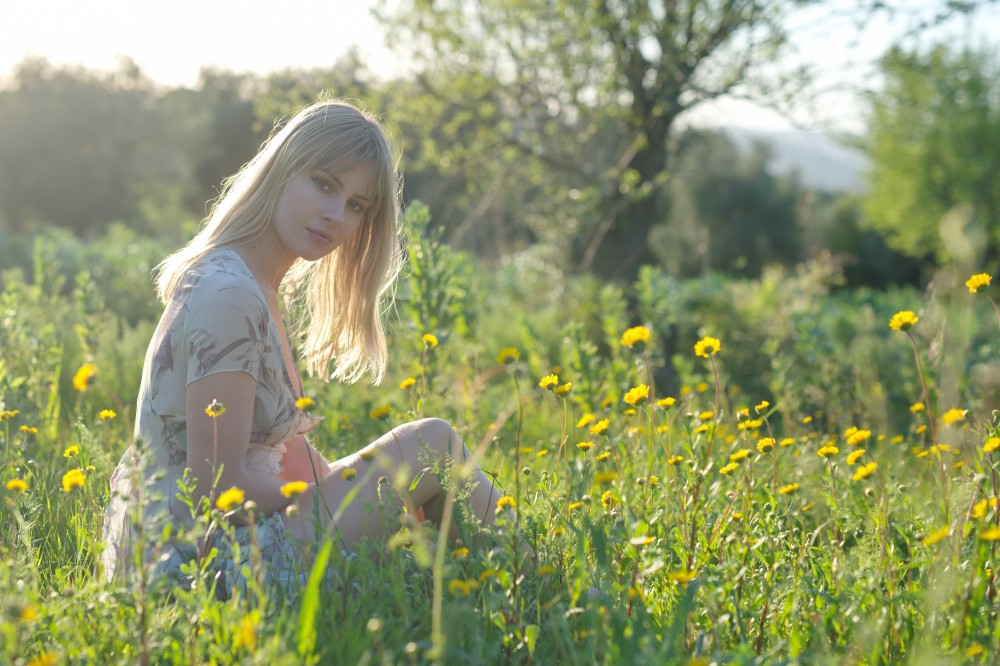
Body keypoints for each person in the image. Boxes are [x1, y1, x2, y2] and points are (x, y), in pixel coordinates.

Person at [100, 98, 502, 597]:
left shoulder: (256, 285)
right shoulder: (229, 293)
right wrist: (354, 501)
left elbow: (285, 456)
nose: (336, 215)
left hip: (206, 551)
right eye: (324, 183)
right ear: (281, 170)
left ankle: (503, 590)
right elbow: (216, 489)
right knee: (431, 443)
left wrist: (359, 500)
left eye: (357, 205)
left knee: (426, 468)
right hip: (192, 572)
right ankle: (531, 590)